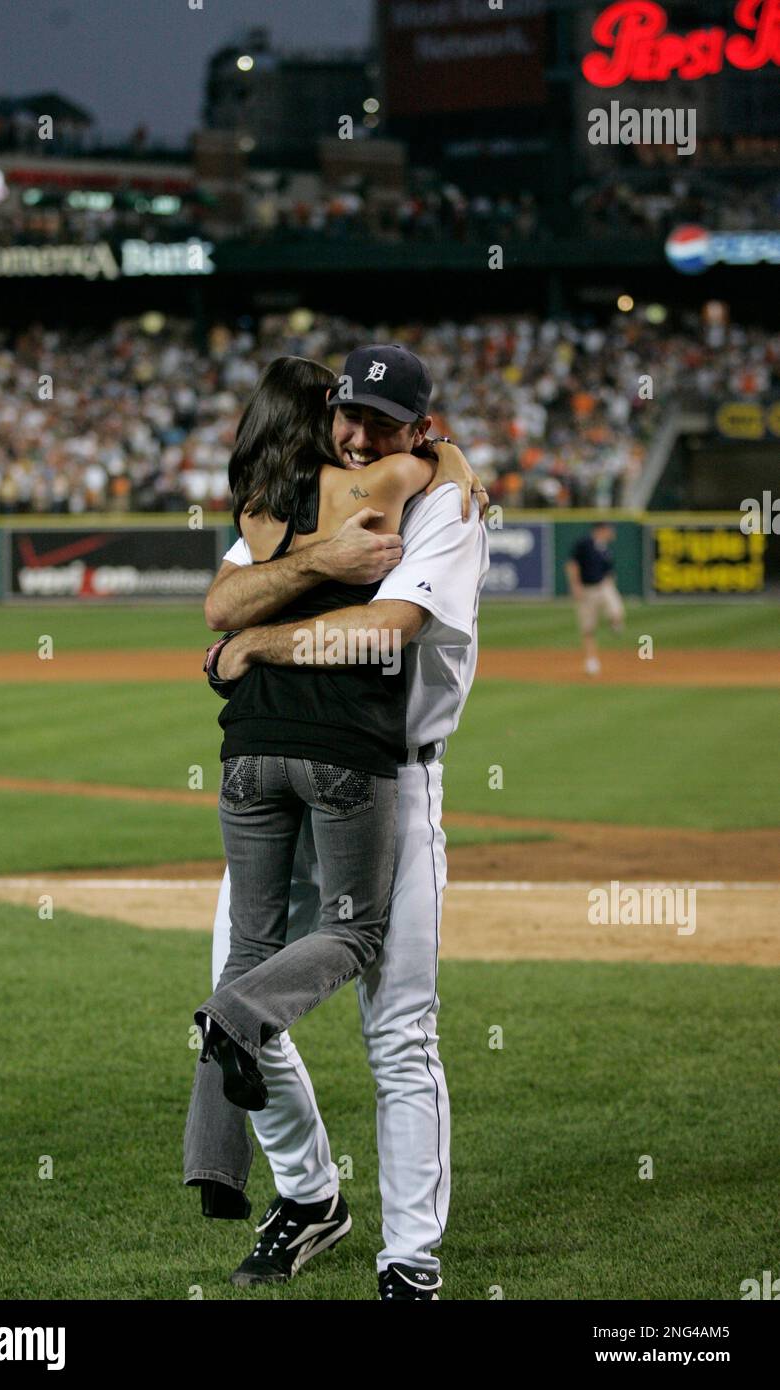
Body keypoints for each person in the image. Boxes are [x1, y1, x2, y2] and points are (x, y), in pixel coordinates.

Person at [184, 343, 490, 1301]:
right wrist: (307, 565)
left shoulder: (444, 501)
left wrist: (253, 648)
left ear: (420, 429)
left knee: (397, 1026)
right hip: (300, 763)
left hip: (394, 774)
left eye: (381, 425)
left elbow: (382, 629)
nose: (357, 436)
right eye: (346, 416)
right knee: (234, 992)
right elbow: (224, 600)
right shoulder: (311, 482)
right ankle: (311, 1197)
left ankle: (410, 1261)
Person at [565, 522, 625, 676]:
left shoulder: (605, 549)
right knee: (588, 628)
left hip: (604, 587)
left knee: (617, 611)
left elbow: (609, 571)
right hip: (587, 590)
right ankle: (591, 660)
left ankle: (615, 623)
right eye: (609, 530)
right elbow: (572, 564)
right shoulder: (584, 544)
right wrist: (575, 585)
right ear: (600, 530)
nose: (612, 533)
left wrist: (611, 584)